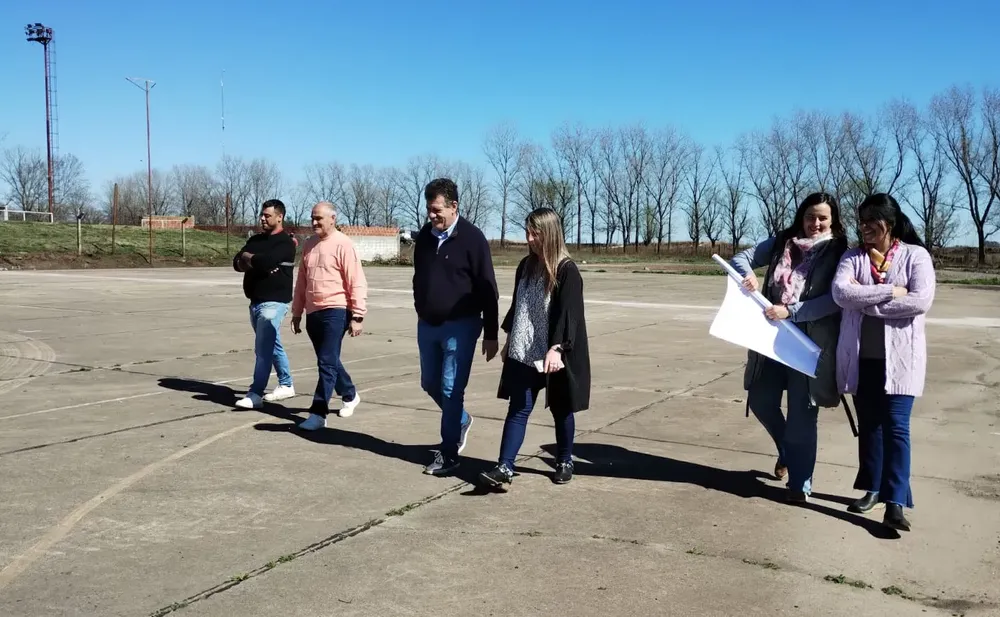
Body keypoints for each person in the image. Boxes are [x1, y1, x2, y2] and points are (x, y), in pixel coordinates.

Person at [729, 192, 849, 503]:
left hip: (811, 344)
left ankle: (800, 483)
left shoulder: (840, 252)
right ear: (801, 217)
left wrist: (792, 311)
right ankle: (787, 451)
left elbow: (835, 300)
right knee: (761, 400)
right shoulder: (784, 240)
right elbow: (740, 258)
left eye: (823, 217)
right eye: (810, 216)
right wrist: (749, 277)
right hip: (769, 338)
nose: (816, 223)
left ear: (833, 219)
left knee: (802, 413)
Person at [831, 193, 936, 532]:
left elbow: (921, 300)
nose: (863, 228)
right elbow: (841, 294)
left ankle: (895, 502)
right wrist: (891, 292)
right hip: (863, 360)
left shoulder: (915, 255)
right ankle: (873, 489)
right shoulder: (852, 257)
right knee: (870, 428)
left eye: (871, 222)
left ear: (888, 224)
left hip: (901, 362)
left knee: (897, 429)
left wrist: (867, 301)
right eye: (860, 222)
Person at [478, 208, 591, 491]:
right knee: (518, 409)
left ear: (549, 235)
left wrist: (557, 349)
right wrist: (509, 340)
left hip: (554, 354)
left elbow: (570, 314)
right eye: (527, 233)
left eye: (535, 234)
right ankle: (504, 466)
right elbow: (520, 307)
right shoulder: (525, 267)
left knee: (562, 409)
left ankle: (564, 460)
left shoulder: (567, 270)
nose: (528, 239)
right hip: (524, 352)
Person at [412, 177, 500, 476]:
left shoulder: (472, 239)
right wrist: (420, 307)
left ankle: (449, 454)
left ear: (454, 206)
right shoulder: (425, 236)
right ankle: (460, 419)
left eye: (437, 210)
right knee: (430, 383)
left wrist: (490, 333)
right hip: (428, 324)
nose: (432, 215)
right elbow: (418, 277)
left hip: (461, 326)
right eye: (429, 210)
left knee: (451, 389)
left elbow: (489, 289)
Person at [290, 201, 367, 431]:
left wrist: (358, 315)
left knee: (326, 361)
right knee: (329, 360)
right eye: (312, 218)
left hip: (337, 309)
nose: (314, 222)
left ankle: (318, 412)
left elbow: (356, 281)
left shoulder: (344, 244)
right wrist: (297, 312)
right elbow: (302, 280)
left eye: (319, 219)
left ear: (332, 218)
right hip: (314, 311)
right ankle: (350, 394)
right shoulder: (309, 244)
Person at [232, 199, 298, 409]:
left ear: (280, 217)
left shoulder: (285, 243)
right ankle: (286, 384)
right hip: (255, 301)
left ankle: (255, 393)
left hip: (274, 304)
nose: (262, 218)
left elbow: (266, 262)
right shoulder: (256, 240)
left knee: (262, 349)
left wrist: (250, 259)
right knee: (272, 344)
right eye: (262, 215)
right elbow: (237, 262)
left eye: (267, 215)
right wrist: (250, 258)